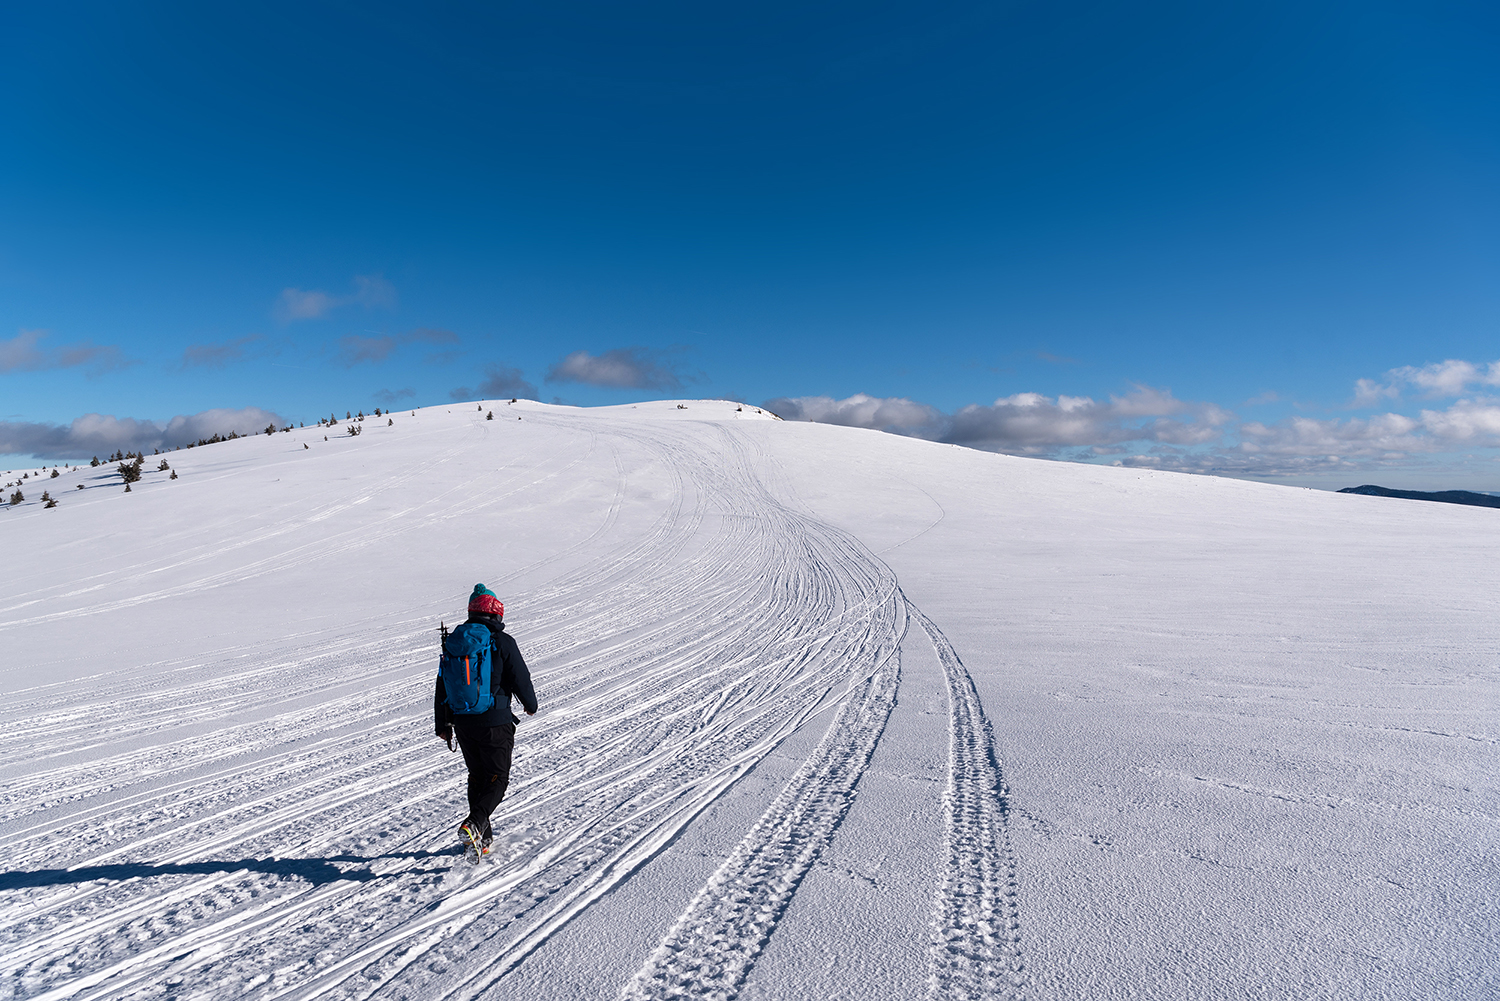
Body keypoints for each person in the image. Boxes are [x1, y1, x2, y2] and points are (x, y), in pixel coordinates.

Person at [435, 583, 538, 857]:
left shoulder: (455, 642)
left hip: (463, 722)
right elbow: (520, 677)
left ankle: (482, 838)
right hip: (495, 721)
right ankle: (475, 823)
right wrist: (530, 704)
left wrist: (443, 725)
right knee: (498, 778)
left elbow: (442, 683)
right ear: (496, 614)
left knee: (478, 776)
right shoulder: (502, 641)